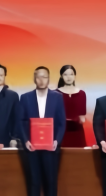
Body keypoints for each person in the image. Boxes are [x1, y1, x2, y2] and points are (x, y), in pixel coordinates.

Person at [19, 66, 68, 196]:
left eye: (44, 77)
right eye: (38, 77)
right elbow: (20, 122)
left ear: (49, 79)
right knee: (34, 182)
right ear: (34, 79)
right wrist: (26, 141)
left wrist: (57, 141)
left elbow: (61, 122)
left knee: (51, 182)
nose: (41, 80)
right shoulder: (25, 97)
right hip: (32, 148)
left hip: (51, 148)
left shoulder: (57, 97)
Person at [57, 65, 88, 147]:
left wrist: (80, 119)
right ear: (61, 76)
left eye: (71, 74)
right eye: (65, 74)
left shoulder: (82, 94)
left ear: (75, 76)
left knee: (77, 154)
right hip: (60, 132)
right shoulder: (55, 94)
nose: (69, 77)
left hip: (77, 132)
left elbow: (82, 117)